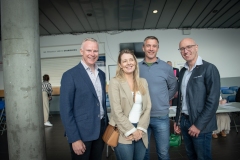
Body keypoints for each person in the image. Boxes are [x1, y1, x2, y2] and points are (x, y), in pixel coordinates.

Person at [60, 38, 108, 160]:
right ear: (81, 51)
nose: (92, 54)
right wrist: (74, 138)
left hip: (100, 131)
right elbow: (66, 110)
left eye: (95, 51)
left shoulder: (101, 75)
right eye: (89, 50)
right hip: (81, 134)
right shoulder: (70, 75)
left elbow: (99, 103)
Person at [174, 38, 220, 160]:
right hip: (184, 121)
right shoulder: (183, 71)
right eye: (182, 49)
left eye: (189, 47)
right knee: (191, 155)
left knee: (203, 157)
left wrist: (198, 125)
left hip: (200, 124)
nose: (186, 51)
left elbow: (213, 101)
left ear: (196, 47)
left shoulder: (209, 68)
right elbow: (181, 100)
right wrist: (178, 120)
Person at [108, 49, 151, 160]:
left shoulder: (143, 82)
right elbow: (116, 111)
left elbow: (148, 107)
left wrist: (140, 129)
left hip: (141, 129)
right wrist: (132, 131)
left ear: (135, 62)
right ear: (120, 65)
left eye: (131, 60)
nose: (129, 63)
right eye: (125, 61)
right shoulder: (115, 82)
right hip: (123, 129)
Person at [139, 36, 178, 160]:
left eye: (154, 46)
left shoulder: (166, 67)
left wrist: (165, 99)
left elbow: (173, 86)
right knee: (143, 153)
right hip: (141, 117)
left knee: (163, 152)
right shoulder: (136, 67)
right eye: (148, 45)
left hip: (161, 116)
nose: (151, 48)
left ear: (158, 48)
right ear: (143, 48)